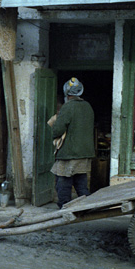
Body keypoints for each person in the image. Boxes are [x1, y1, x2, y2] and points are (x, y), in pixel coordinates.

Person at [48, 77, 95, 209]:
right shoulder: (88, 106)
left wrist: (54, 129)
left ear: (66, 93)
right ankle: (85, 208)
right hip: (85, 153)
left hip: (69, 153)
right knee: (81, 182)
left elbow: (58, 129)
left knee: (63, 183)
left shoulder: (67, 107)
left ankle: (64, 208)